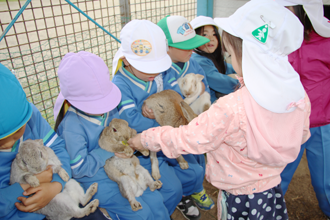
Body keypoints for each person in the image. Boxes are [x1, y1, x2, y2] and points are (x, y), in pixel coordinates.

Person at [128, 0, 312, 219]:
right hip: (270, 189)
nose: (230, 60)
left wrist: (147, 139)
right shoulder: (297, 95)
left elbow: (189, 137)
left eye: (231, 55)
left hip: (239, 197)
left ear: (250, 56)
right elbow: (301, 134)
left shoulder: (231, 108)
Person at [112, 19, 210, 220]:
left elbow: (176, 96)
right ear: (127, 60)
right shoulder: (120, 84)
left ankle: (185, 193)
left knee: (195, 170)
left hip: (166, 135)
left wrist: (162, 117)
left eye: (157, 66)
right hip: (143, 150)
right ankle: (167, 208)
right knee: (170, 189)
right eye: (147, 67)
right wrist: (168, 122)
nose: (154, 72)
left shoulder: (159, 74)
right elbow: (133, 122)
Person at [53, 51, 170, 220]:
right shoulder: (72, 127)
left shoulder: (110, 107)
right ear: (72, 102)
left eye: (104, 100)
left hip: (122, 163)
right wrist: (110, 150)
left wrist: (131, 142)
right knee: (138, 213)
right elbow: (79, 169)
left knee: (157, 200)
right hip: (96, 176)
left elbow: (123, 131)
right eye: (95, 104)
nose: (103, 107)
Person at [274, 0, 330, 218]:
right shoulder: (280, 41)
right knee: (278, 173)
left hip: (321, 122)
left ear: (305, 12)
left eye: (289, 10)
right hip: (288, 121)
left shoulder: (325, 41)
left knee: (324, 179)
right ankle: (271, 209)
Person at [156, 15, 215, 215]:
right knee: (182, 160)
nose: (191, 50)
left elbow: (204, 86)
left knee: (198, 157)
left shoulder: (194, 63)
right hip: (176, 128)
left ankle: (196, 189)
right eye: (185, 46)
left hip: (196, 123)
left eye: (193, 45)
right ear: (166, 48)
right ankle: (184, 195)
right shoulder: (160, 72)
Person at [0, 63, 72, 220]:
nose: (8, 144)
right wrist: (23, 187)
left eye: (18, 131)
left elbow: (58, 148)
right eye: (0, 141)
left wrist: (56, 185)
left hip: (57, 200)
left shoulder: (32, 116)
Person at [190, 15, 239, 102]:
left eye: (214, 34)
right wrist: (244, 83)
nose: (211, 38)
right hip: (209, 106)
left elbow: (227, 67)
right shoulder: (199, 61)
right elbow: (223, 83)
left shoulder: (207, 56)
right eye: (205, 34)